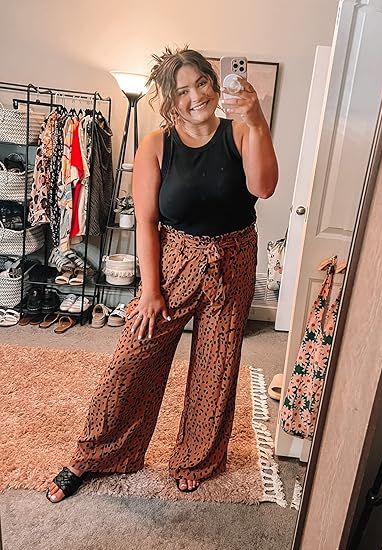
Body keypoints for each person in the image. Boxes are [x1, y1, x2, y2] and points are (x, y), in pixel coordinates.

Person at [47, 46, 278, 502]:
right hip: (176, 259)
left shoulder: (240, 132)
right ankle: (96, 453)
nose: (196, 97)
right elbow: (147, 223)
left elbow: (264, 187)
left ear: (215, 83)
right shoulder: (156, 145)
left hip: (234, 259)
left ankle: (196, 458)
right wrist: (150, 290)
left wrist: (257, 121)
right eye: (183, 91)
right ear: (170, 101)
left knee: (216, 365)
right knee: (133, 356)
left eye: (202, 83)